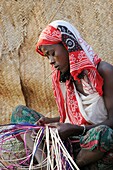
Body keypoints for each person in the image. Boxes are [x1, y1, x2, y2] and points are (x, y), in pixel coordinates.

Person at [11, 20, 113, 169]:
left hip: (89, 141)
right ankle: (46, 164)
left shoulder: (104, 71)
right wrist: (50, 121)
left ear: (68, 45)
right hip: (68, 140)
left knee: (104, 134)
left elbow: (111, 120)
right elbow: (73, 116)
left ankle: (69, 165)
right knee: (20, 113)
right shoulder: (64, 78)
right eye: (47, 57)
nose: (51, 61)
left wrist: (76, 129)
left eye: (52, 53)